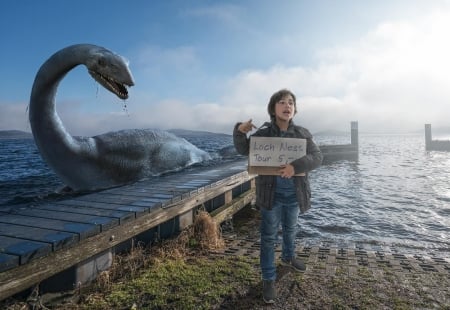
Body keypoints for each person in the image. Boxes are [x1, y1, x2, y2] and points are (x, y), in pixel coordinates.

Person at [233, 89, 322, 304]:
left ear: (294, 108)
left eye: (290, 102)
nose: (287, 105)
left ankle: (288, 257)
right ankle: (268, 278)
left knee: (291, 229)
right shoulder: (263, 133)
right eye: (282, 102)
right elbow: (244, 150)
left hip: (294, 194)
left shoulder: (302, 133)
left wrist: (295, 166)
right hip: (270, 195)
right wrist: (239, 131)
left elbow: (317, 157)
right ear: (273, 108)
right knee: (268, 237)